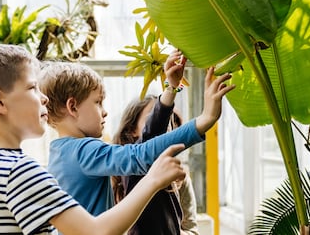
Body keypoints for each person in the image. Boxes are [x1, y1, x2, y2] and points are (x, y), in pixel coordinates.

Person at [0, 43, 188, 235]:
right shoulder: (20, 170)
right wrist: (153, 180)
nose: (45, 98)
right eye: (32, 89)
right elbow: (96, 231)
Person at [39, 49, 235, 218]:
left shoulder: (59, 152)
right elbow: (141, 155)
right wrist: (205, 119)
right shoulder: (84, 151)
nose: (105, 111)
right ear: (72, 106)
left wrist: (172, 87)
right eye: (98, 102)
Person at [111, 54, 199, 234]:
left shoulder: (180, 178)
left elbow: (192, 229)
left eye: (170, 123)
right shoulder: (113, 176)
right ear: (131, 130)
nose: (165, 128)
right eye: (153, 118)